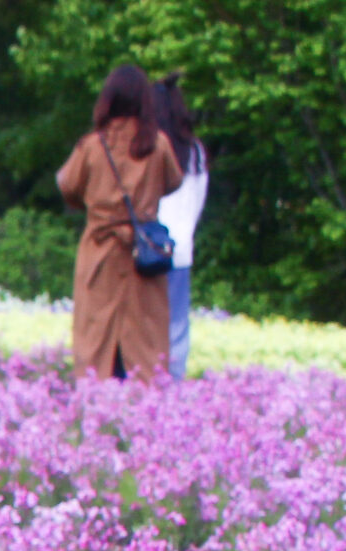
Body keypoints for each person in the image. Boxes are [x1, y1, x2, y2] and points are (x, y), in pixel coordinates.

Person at [55, 65, 182, 380]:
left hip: (101, 253)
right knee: (145, 340)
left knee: (96, 337)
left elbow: (68, 186)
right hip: (144, 253)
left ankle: (99, 410)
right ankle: (142, 412)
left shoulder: (93, 146)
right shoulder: (158, 145)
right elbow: (173, 182)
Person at [154, 78, 208, 380]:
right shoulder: (195, 152)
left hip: (148, 247)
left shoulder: (149, 148)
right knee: (176, 326)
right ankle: (173, 386)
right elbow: (198, 200)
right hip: (181, 249)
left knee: (146, 323)